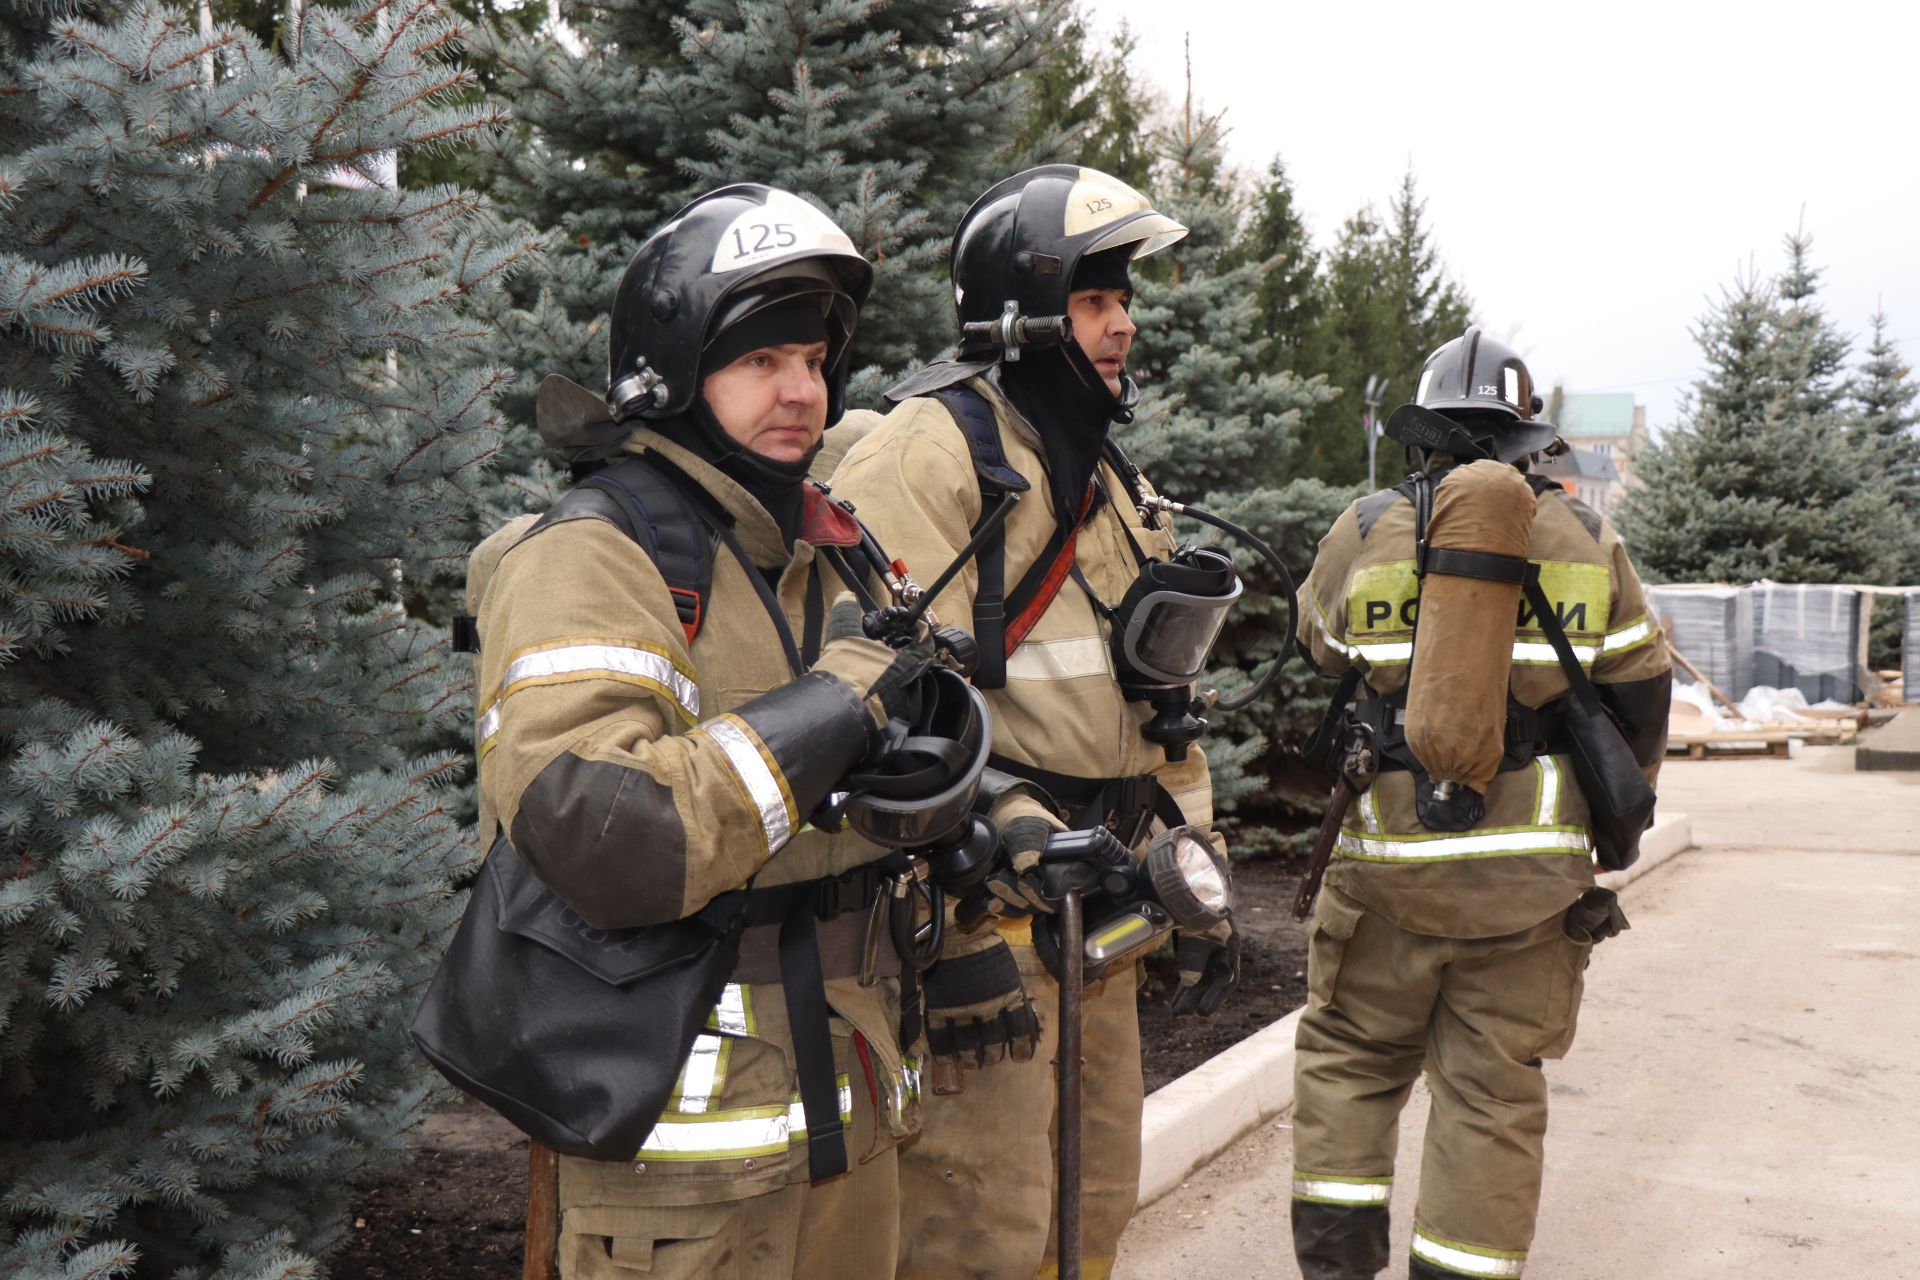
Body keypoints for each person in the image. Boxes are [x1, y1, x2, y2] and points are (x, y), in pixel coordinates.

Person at [473, 184, 932, 1279]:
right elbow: (602, 829)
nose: (802, 391)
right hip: (677, 1158)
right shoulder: (594, 553)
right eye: (762, 360)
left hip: (847, 1114)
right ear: (673, 373)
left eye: (814, 360)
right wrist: (838, 704)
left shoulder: (816, 544)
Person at [830, 164, 1240, 1280]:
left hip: (1095, 928)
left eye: (1125, 301)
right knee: (980, 1240)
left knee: (1089, 1217)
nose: (1126, 325)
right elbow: (884, 710)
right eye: (1100, 301)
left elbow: (1163, 709)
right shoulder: (927, 453)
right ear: (1025, 313)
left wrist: (1191, 874)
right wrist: (956, 946)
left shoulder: (1104, 473)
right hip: (982, 932)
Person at [1288, 328, 1671, 1280]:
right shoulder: (1585, 537)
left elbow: (1317, 647)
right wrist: (1617, 815)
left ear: (1426, 433)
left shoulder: (1365, 527)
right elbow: (1643, 689)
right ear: (1522, 437)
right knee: (1493, 1098)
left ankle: (1337, 1267)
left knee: (1350, 1064)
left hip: (1383, 872)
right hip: (1529, 886)